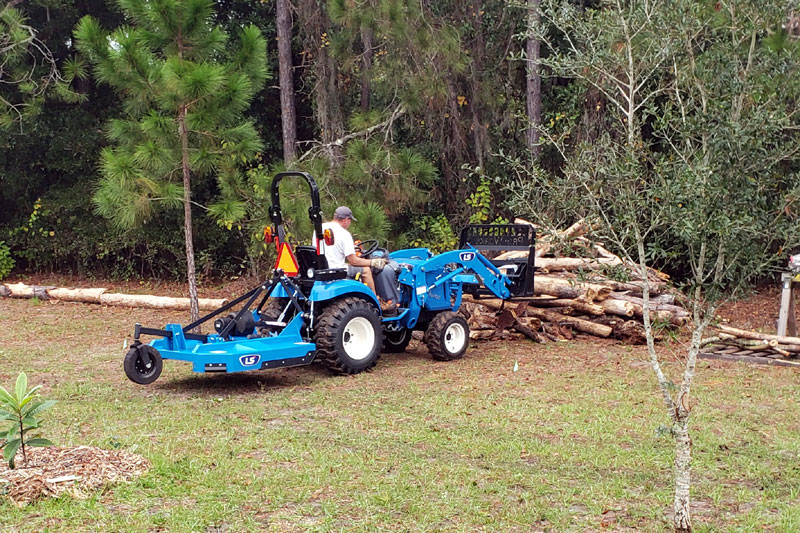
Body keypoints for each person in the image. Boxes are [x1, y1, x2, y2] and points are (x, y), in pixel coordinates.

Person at [318, 206, 391, 309]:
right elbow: (354, 261)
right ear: (346, 220)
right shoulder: (344, 234)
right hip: (336, 269)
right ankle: (376, 301)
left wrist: (352, 248)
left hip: (323, 268)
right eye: (350, 220)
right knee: (365, 270)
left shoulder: (320, 228)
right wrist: (373, 262)